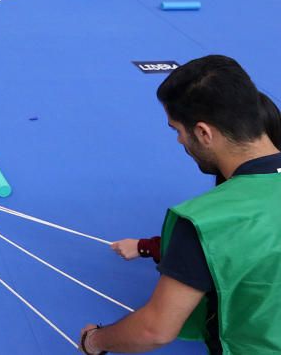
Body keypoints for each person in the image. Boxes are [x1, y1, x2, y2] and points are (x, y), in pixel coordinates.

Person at [78, 55, 281, 355]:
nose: (179, 141)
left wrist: (93, 341)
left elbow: (154, 330)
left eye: (177, 130)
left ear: (203, 133)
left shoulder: (205, 222)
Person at [109, 91, 281, 264]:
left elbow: (214, 251)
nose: (180, 140)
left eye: (178, 130)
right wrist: (145, 246)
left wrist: (146, 247)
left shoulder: (228, 209)